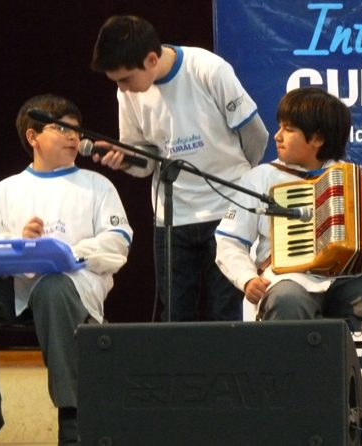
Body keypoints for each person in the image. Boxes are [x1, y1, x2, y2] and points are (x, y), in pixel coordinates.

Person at [215, 86, 362, 433]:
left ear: (317, 139)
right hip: (287, 279)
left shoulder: (350, 180)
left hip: (346, 280)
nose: (277, 136)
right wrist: (247, 278)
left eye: (288, 129)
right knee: (289, 300)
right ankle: (291, 414)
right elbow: (229, 240)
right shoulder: (261, 178)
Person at [0, 94, 133, 446]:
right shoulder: (8, 189)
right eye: (61, 129)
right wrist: (20, 242)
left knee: (52, 286)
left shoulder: (96, 186)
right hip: (14, 286)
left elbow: (118, 243)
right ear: (33, 137)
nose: (73, 137)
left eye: (76, 131)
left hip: (70, 289)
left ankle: (71, 415)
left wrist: (65, 253)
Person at [89, 15, 268, 322]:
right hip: (173, 215)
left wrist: (243, 185)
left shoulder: (208, 69)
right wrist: (126, 159)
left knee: (226, 312)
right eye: (117, 82)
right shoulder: (126, 94)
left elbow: (256, 134)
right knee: (174, 314)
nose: (123, 89)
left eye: (127, 79)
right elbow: (146, 160)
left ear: (151, 58)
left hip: (227, 209)